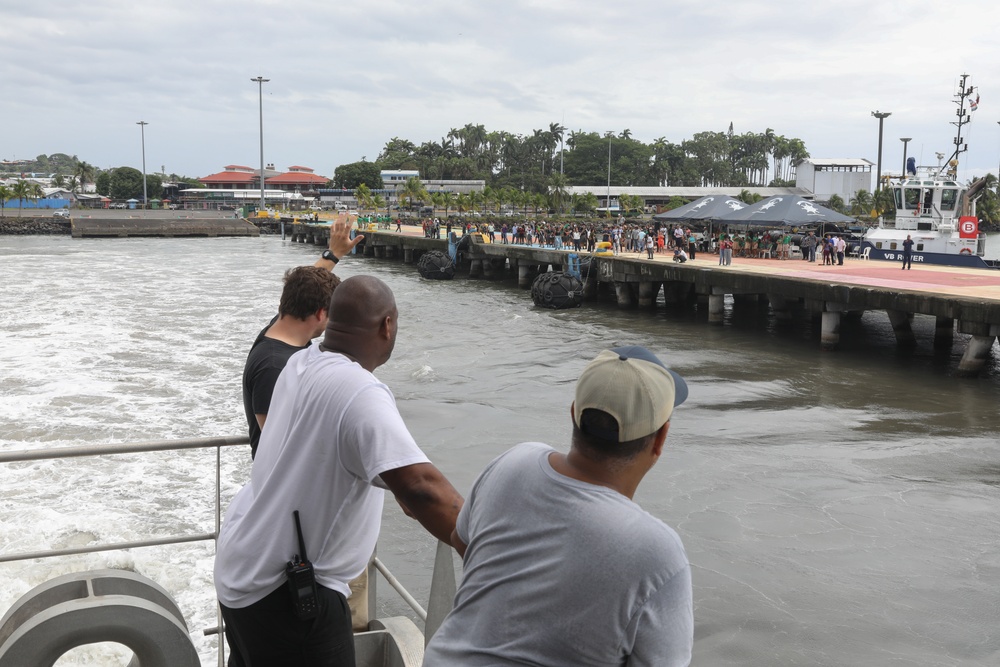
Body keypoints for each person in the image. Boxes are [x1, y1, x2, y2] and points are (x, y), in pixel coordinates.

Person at [217, 276, 464, 667]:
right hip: (286, 594)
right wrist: (487, 548)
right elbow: (422, 489)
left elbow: (347, 452)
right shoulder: (359, 390)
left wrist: (398, 482)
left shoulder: (300, 362)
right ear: (387, 325)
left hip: (241, 568)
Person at [423, 346, 693, 666]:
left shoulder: (514, 462)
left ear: (573, 412)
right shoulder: (658, 551)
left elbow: (461, 540)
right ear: (661, 438)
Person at [242, 219, 361, 460]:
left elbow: (305, 285)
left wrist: (334, 254)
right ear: (320, 313)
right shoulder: (274, 366)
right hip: (281, 490)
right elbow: (279, 441)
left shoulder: (280, 328)